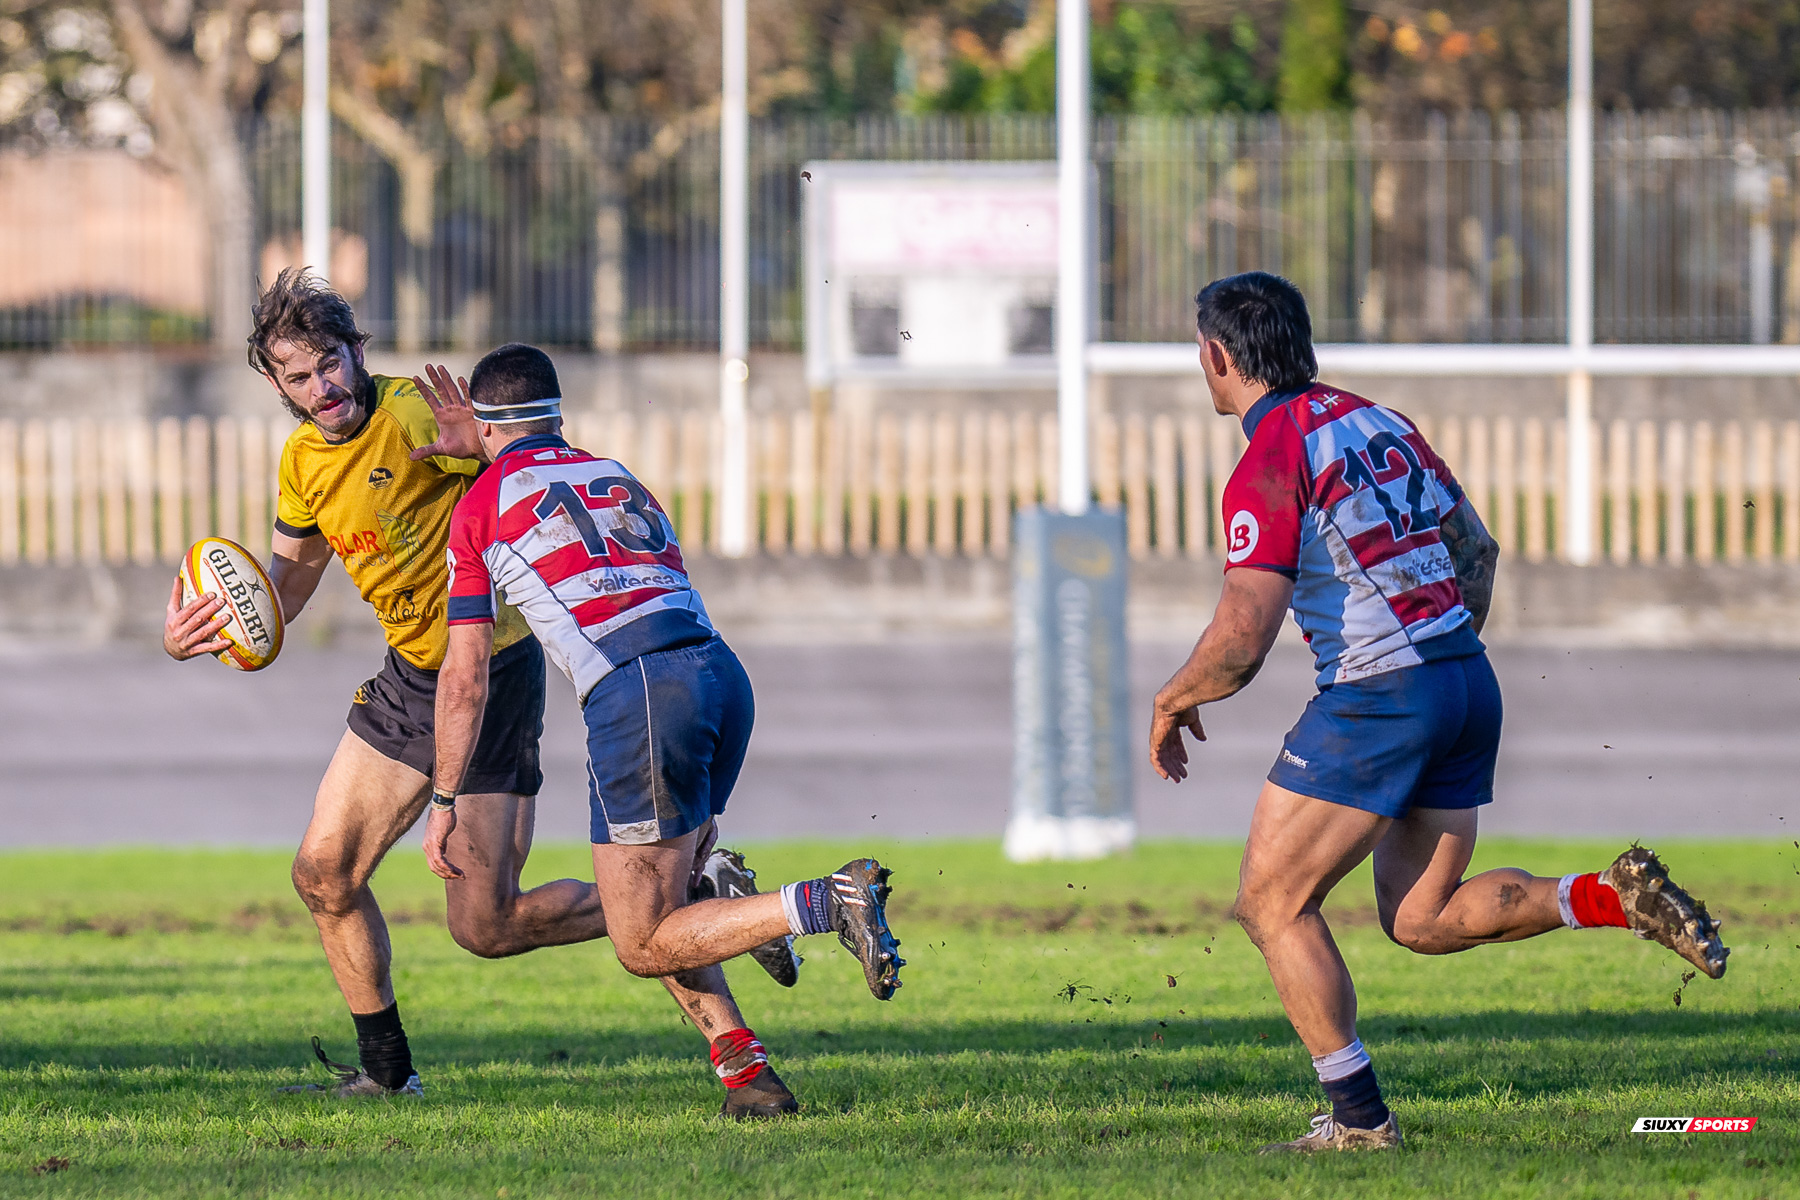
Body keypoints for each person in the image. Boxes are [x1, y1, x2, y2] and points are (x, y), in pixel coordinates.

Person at [161, 270, 795, 1099]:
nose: (322, 389)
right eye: (298, 377)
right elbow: (286, 588)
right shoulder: (304, 463)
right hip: (407, 682)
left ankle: (718, 995)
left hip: (488, 677)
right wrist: (205, 631)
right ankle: (389, 1075)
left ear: (358, 352)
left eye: (330, 364)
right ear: (277, 385)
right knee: (327, 876)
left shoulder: (419, 412)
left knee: (486, 921)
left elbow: (539, 469)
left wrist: (481, 445)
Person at [1148, 271, 1729, 1153]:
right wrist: (1441, 654)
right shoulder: (1383, 424)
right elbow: (1477, 552)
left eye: (1201, 348)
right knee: (1420, 918)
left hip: (1382, 697)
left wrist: (1172, 697)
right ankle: (1606, 897)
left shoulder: (1269, 460)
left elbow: (1242, 635)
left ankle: (1360, 1124)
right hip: (1465, 679)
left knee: (1273, 904)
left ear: (1218, 355)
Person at [422, 343, 905, 1119]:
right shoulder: (614, 474)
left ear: (481, 427)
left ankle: (820, 901)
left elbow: (465, 677)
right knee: (663, 907)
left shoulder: (477, 510)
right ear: (557, 417)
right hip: (718, 674)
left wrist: (443, 798)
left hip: (639, 693)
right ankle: (750, 1082)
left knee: (641, 939)